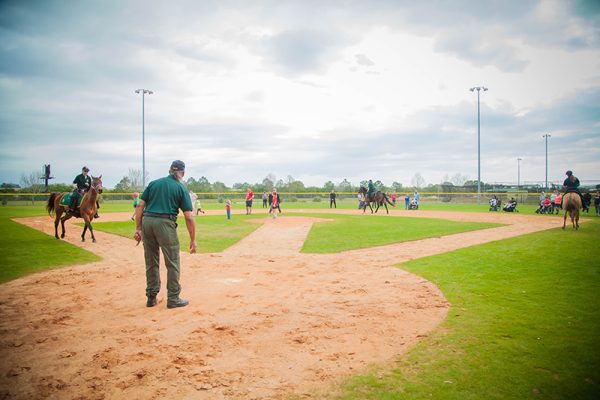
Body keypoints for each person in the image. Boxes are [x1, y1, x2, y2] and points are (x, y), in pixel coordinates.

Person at [134, 160, 196, 309]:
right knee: (172, 261)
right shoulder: (181, 188)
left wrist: (138, 228)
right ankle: (173, 298)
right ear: (182, 173)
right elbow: (189, 216)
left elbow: (140, 205)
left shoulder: (154, 183)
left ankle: (151, 297)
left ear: (170, 171)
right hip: (165, 223)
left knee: (151, 261)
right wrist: (193, 240)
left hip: (147, 222)